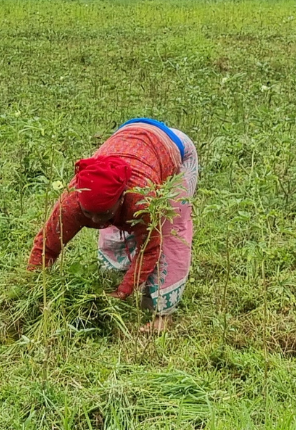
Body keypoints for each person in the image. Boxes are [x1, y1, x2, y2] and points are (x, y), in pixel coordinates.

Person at [27, 118, 198, 332]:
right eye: (89, 214)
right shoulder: (72, 202)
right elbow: (47, 246)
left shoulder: (140, 200)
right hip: (130, 137)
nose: (97, 221)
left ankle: (162, 314)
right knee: (113, 233)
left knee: (170, 230)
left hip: (176, 149)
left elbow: (149, 249)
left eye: (105, 213)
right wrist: (33, 289)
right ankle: (113, 281)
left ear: (121, 197)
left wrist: (123, 292)